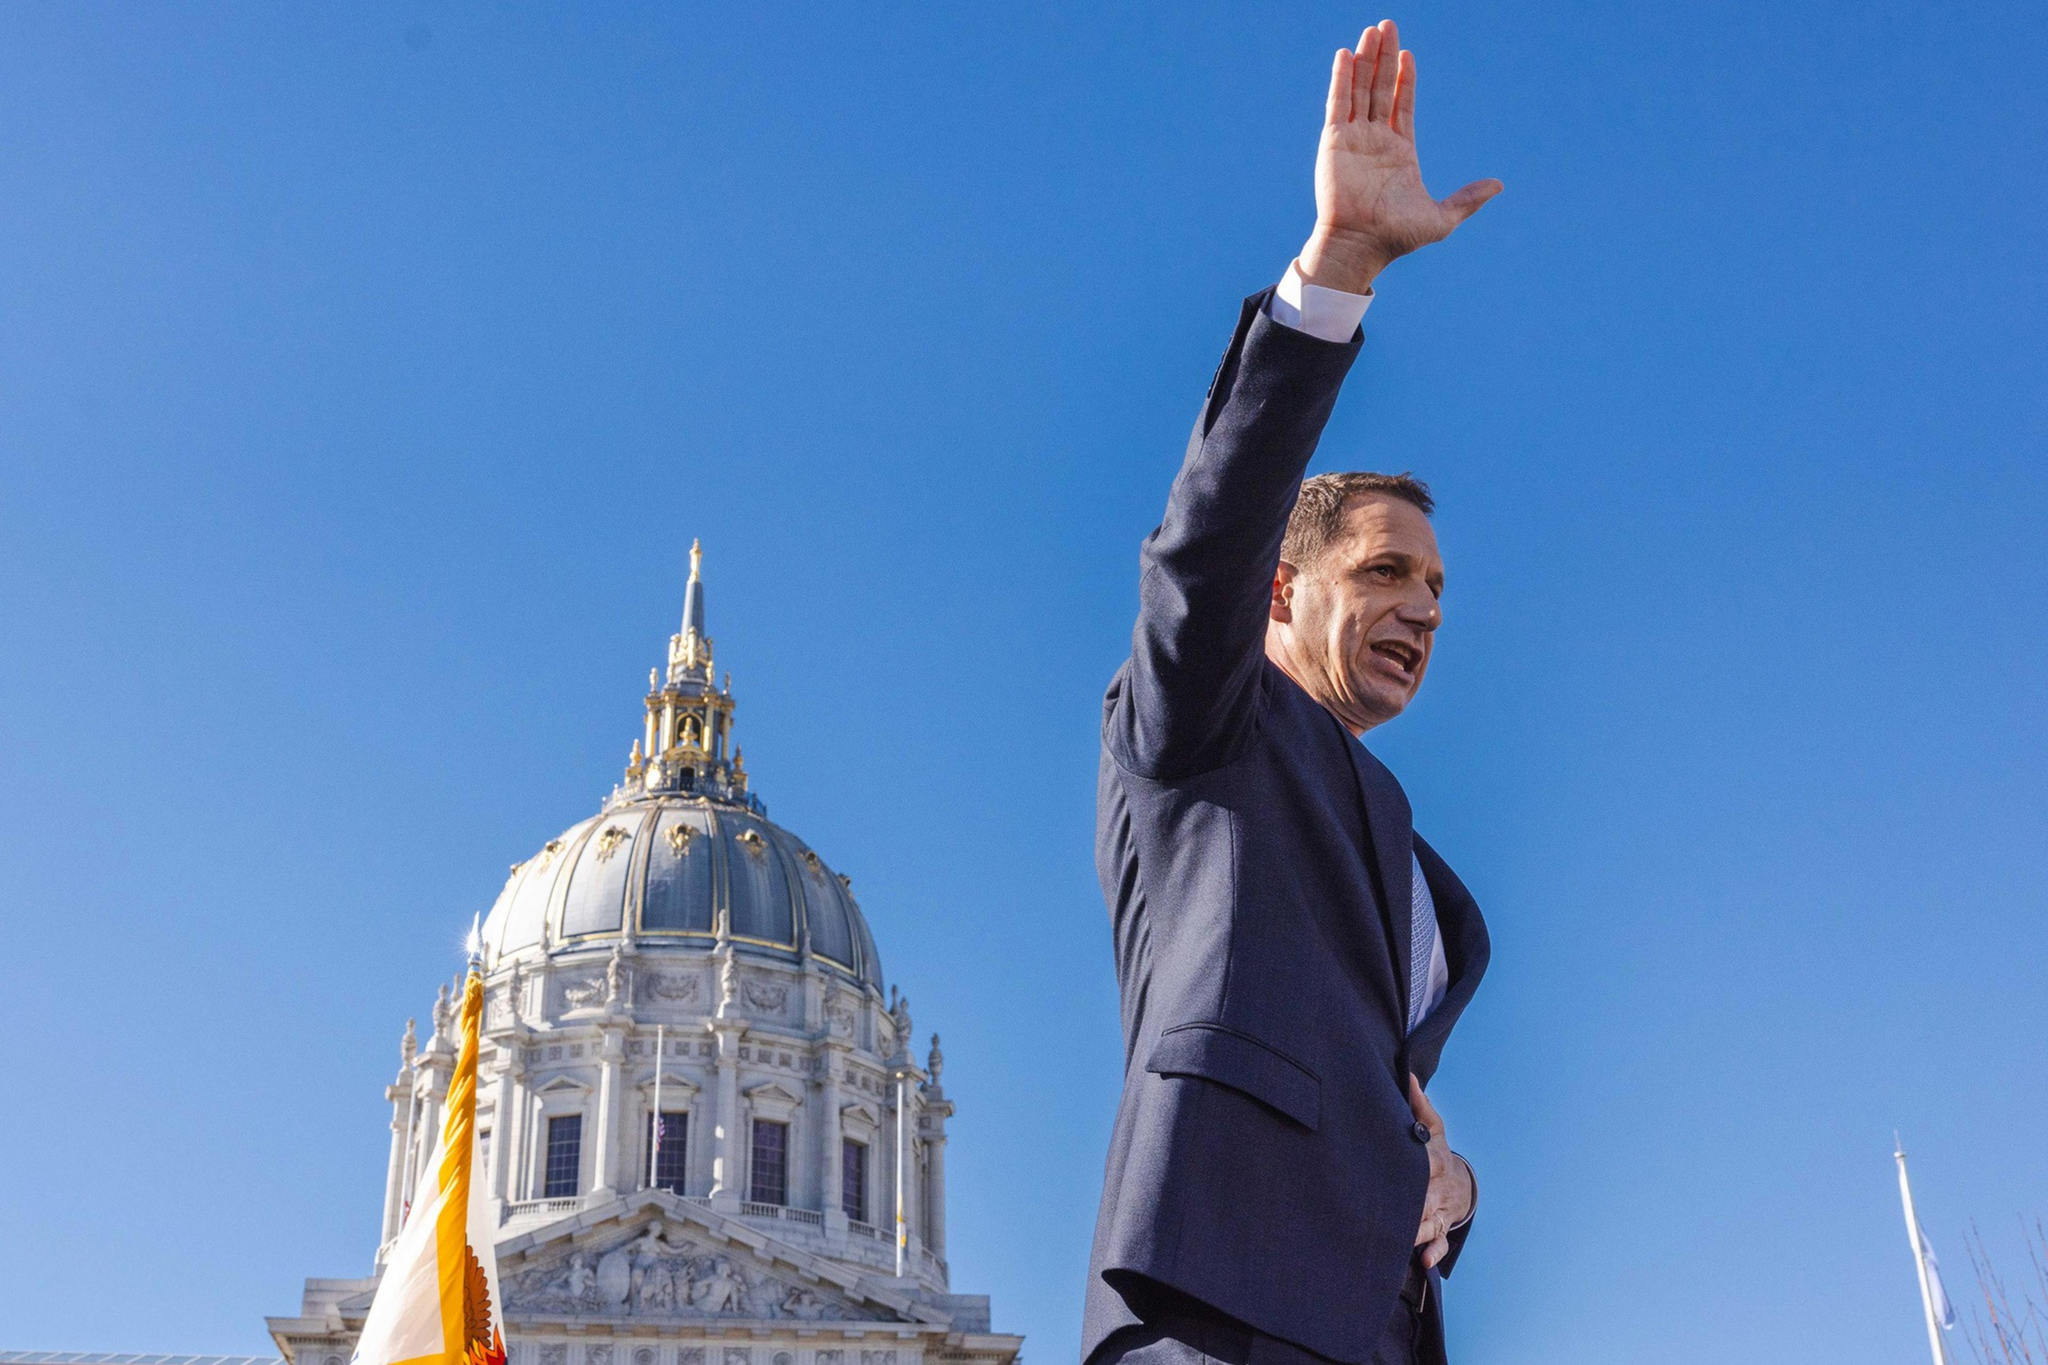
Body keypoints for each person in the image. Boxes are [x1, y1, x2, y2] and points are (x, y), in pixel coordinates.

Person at [1084, 19, 1502, 1365]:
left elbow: (1376, 1104)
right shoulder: (1204, 727)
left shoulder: (1422, 880)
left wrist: (1453, 1185)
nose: (1422, 610)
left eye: (1437, 591)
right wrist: (1337, 275)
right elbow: (1204, 538)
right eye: (1386, 572)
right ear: (1280, 590)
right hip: (1219, 1314)